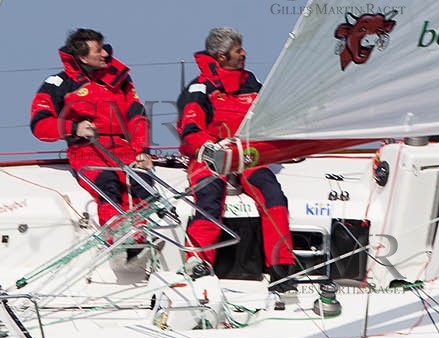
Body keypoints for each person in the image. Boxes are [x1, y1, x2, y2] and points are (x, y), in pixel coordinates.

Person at [177, 28, 298, 291]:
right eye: (237, 50)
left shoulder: (252, 84)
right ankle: (197, 262)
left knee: (274, 197)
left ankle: (281, 270)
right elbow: (190, 129)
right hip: (212, 156)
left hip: (248, 155)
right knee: (209, 199)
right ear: (221, 57)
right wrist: (209, 148)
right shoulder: (200, 88)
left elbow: (273, 117)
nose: (244, 53)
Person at [31, 29, 151, 255]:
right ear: (83, 58)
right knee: (108, 187)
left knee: (143, 187)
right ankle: (120, 243)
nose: (106, 53)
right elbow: (40, 125)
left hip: (124, 150)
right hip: (87, 151)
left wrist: (142, 150)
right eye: (99, 50)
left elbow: (137, 116)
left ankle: (145, 239)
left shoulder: (120, 79)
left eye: (104, 47)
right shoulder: (58, 83)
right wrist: (74, 128)